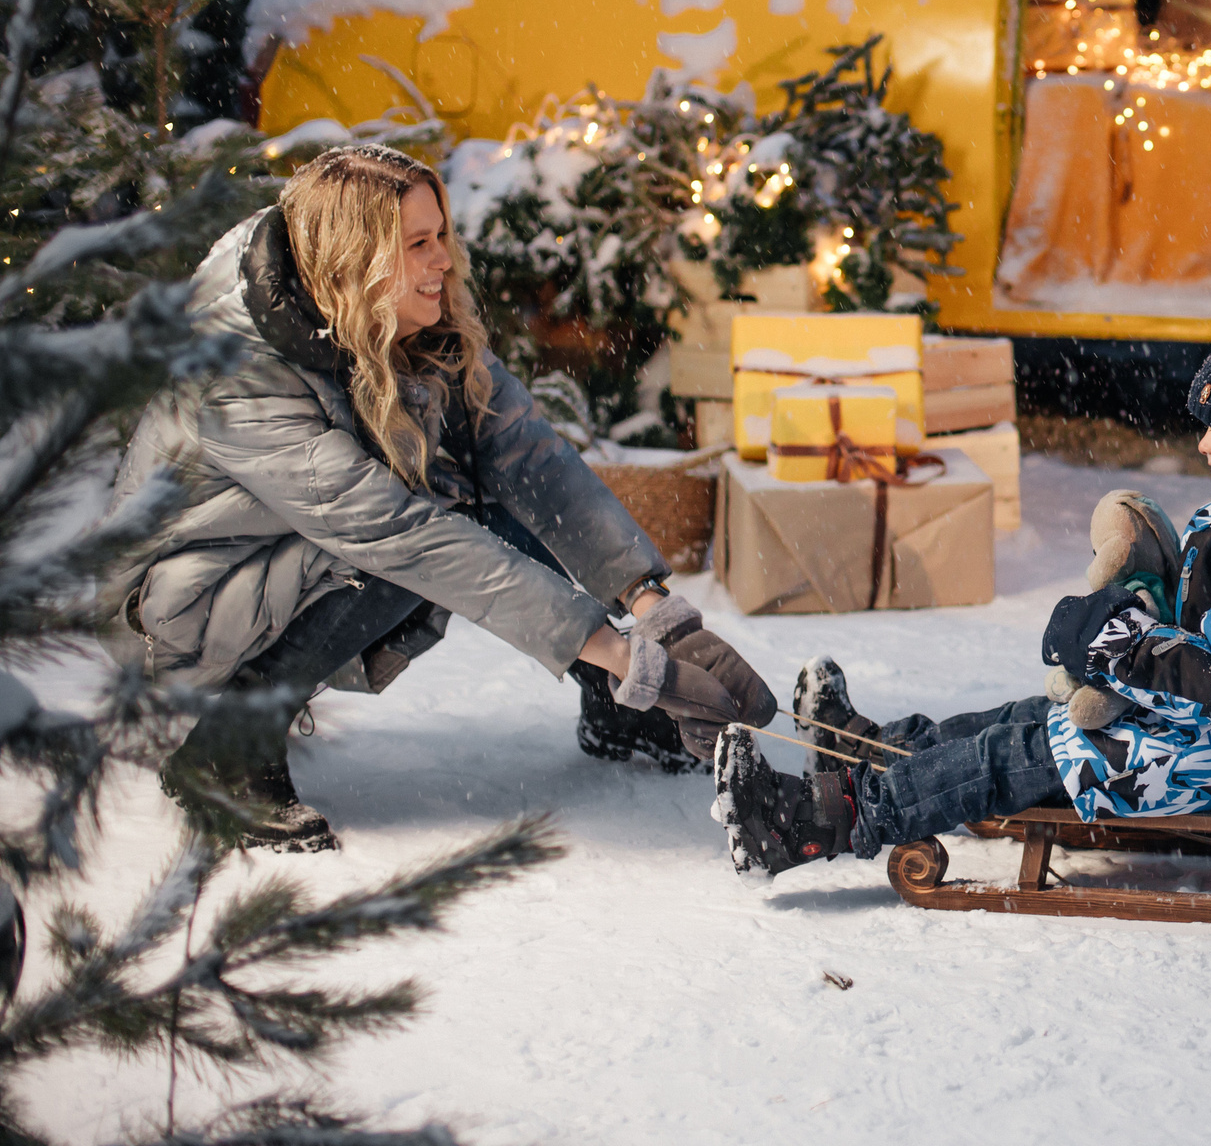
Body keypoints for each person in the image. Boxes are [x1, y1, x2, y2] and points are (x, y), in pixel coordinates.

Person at [103, 144, 774, 852]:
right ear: (351, 257)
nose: (443, 260)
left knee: (485, 485)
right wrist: (619, 651)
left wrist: (653, 606)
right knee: (421, 532)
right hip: (180, 604)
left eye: (441, 235)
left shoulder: (373, 307)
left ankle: (618, 709)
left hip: (287, 553)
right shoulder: (237, 373)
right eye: (416, 244)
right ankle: (227, 750)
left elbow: (525, 452)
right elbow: (402, 534)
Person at [713, 281, 1211, 874]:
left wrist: (1108, 636)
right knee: (1020, 719)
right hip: (1206, 736)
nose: (1204, 441)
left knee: (1015, 752)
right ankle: (872, 753)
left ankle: (819, 822)